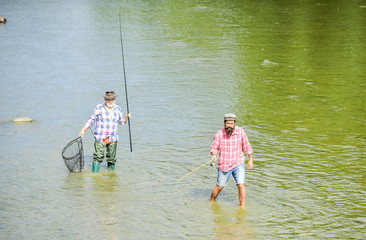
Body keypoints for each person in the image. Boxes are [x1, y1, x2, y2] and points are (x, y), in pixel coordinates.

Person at [78, 91, 131, 173]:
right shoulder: (99, 108)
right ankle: (94, 175)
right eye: (108, 99)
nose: (110, 101)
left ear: (115, 99)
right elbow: (91, 120)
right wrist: (83, 130)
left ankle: (111, 177)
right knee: (97, 157)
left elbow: (121, 122)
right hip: (100, 137)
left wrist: (126, 118)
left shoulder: (118, 109)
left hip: (113, 137)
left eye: (112, 99)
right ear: (105, 99)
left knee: (112, 159)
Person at [210, 113, 253, 207]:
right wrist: (214, 155)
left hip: (238, 163)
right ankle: (211, 202)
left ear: (235, 123)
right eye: (228, 123)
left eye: (231, 123)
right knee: (219, 186)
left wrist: (250, 159)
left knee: (241, 185)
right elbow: (214, 147)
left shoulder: (240, 132)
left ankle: (242, 207)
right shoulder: (219, 134)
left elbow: (247, 145)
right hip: (224, 164)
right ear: (224, 123)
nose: (230, 126)